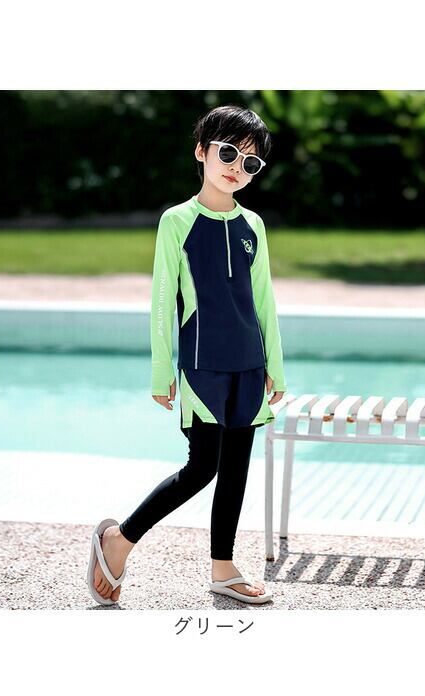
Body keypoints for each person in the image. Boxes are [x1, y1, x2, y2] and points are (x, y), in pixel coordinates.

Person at [87, 104, 286, 605]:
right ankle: (118, 540)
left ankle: (223, 568)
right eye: (227, 153)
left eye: (250, 162)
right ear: (201, 152)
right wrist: (162, 368)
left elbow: (264, 299)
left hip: (249, 365)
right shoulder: (177, 221)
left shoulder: (253, 225)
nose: (236, 167)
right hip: (202, 365)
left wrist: (275, 366)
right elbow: (161, 300)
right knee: (202, 467)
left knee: (236, 467)